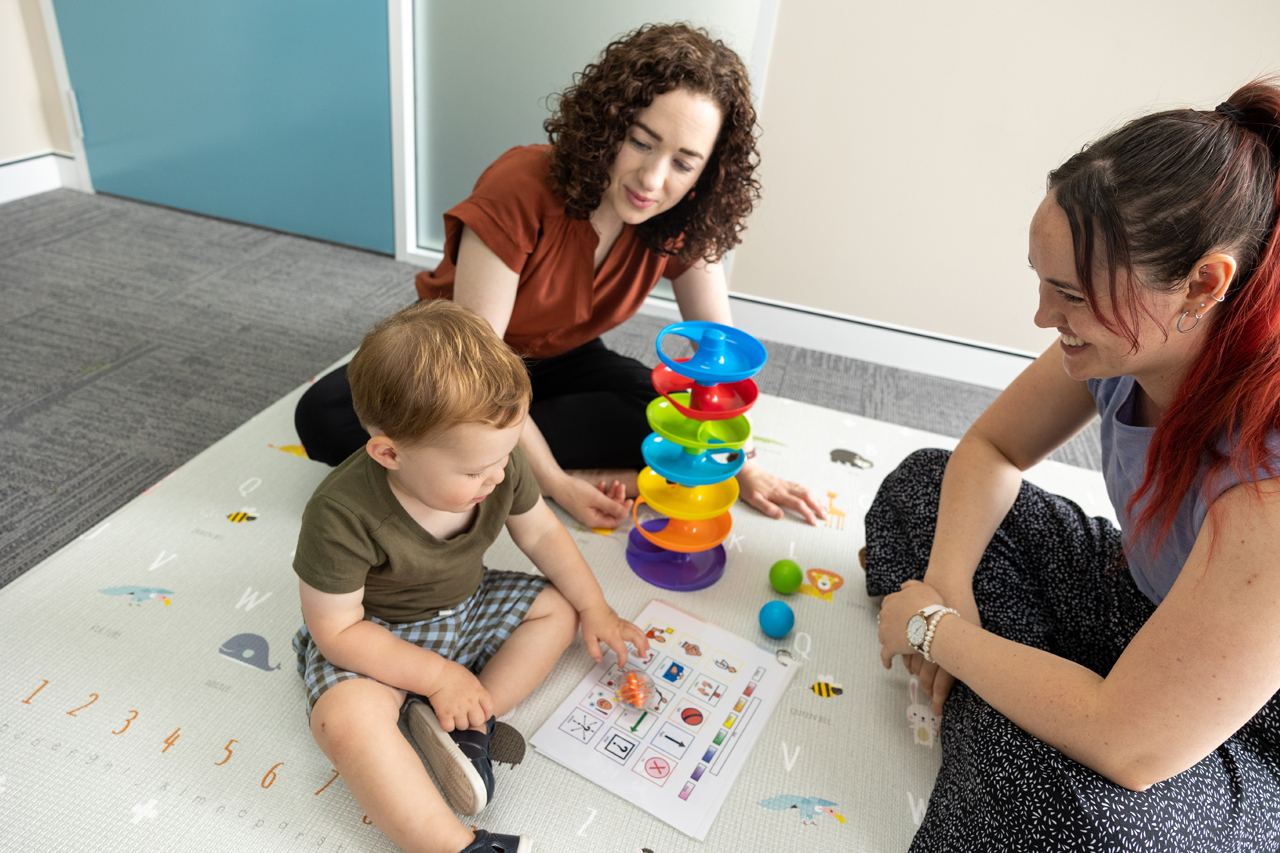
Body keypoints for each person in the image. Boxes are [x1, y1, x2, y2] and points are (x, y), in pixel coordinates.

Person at [869, 79, 1280, 850]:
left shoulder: (1268, 477)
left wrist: (936, 630)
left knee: (1077, 817)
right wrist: (952, 585)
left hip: (1251, 734)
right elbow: (989, 450)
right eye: (1042, 280)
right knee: (921, 488)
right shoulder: (1135, 342)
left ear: (1203, 284)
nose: (1042, 316)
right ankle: (1022, 725)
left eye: (1070, 293)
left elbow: (1132, 744)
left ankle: (1012, 740)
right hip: (1145, 613)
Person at [294, 23, 825, 531]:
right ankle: (515, 459)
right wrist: (554, 484)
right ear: (611, 123)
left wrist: (742, 462)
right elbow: (480, 368)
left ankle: (490, 457)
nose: (653, 179)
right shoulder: (520, 186)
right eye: (641, 142)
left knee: (667, 418)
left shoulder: (684, 216)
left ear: (706, 172)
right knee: (327, 417)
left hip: (564, 359)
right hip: (458, 356)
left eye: (684, 163)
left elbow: (718, 362)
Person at [291, 300, 649, 853]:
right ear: (390, 453)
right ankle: (456, 845)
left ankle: (470, 722)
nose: (497, 476)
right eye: (474, 470)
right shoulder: (339, 514)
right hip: (375, 637)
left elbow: (544, 536)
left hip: (468, 603)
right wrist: (434, 675)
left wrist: (596, 608)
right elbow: (335, 631)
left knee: (558, 606)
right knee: (344, 721)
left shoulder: (500, 463)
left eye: (505, 457)